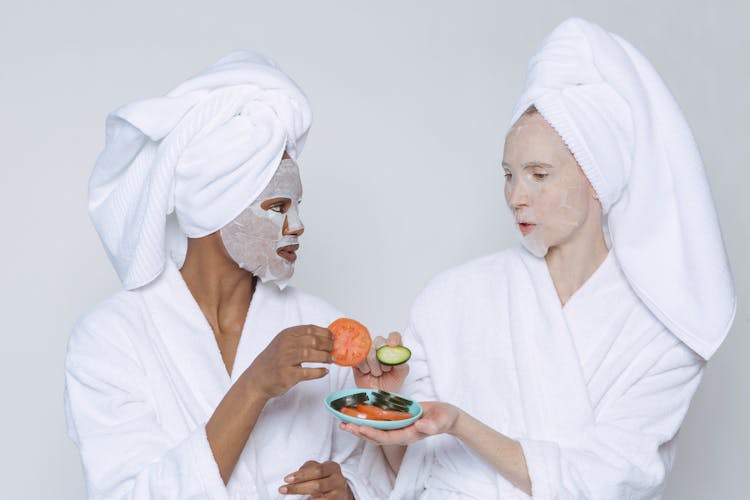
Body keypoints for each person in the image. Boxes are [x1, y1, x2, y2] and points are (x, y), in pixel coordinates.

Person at [341, 17, 736, 499]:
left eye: (539, 174)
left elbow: (613, 483)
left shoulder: (663, 333)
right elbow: (412, 474)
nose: (515, 197)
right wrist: (397, 402)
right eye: (509, 174)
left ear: (597, 178)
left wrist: (461, 423)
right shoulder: (451, 298)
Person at [64, 51, 393, 499]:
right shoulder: (111, 337)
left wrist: (350, 490)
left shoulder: (320, 326)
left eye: (297, 206)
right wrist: (253, 386)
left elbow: (374, 473)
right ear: (213, 207)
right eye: (277, 207)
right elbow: (127, 492)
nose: (297, 225)